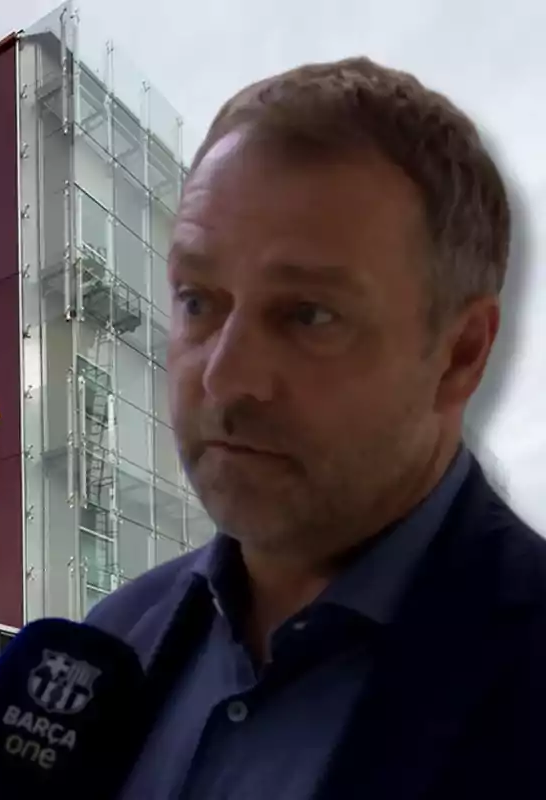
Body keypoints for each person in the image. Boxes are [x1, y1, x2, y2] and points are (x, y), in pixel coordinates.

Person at [87, 57, 545, 799]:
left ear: (460, 356)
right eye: (198, 301)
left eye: (308, 315)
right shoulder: (113, 644)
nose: (225, 377)